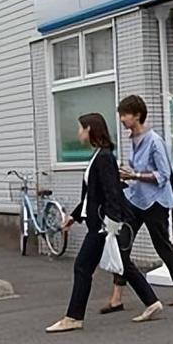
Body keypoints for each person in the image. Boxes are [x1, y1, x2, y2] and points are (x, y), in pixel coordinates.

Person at [46, 112, 163, 332]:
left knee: (82, 267)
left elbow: (111, 192)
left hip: (103, 225)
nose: (78, 132)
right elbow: (93, 194)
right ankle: (152, 302)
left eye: (81, 128)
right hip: (101, 221)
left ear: (90, 129)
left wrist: (112, 223)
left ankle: (73, 317)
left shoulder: (104, 157)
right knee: (122, 264)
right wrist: (74, 214)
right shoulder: (100, 155)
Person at [101, 95, 173, 313]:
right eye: (121, 114)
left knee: (161, 245)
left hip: (155, 201)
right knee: (122, 244)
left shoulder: (154, 141)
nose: (122, 119)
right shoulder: (132, 140)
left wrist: (135, 175)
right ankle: (116, 297)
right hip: (135, 198)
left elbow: (163, 174)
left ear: (137, 115)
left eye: (126, 114)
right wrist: (126, 176)